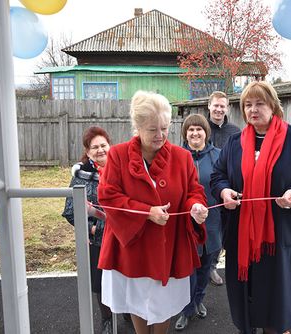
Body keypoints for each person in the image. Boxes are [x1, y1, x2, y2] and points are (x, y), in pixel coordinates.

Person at [210, 81, 291, 334]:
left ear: (273, 105)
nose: (253, 110)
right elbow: (218, 175)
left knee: (275, 309)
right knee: (246, 308)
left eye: (259, 103)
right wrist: (224, 191)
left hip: (279, 236)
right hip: (242, 237)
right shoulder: (235, 143)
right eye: (247, 105)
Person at [97, 91, 209, 334]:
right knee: (136, 299)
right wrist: (146, 212)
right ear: (137, 127)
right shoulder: (117, 155)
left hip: (170, 244)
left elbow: (194, 191)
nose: (160, 135)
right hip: (133, 246)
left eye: (165, 128)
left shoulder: (182, 157)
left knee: (164, 301)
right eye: (152, 130)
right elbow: (107, 195)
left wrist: (196, 207)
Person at [62, 126, 114, 333]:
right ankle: (107, 320)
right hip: (98, 240)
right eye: (95, 147)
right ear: (87, 149)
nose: (100, 150)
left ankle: (128, 313)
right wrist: (91, 228)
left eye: (103, 145)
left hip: (123, 237)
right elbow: (70, 210)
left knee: (124, 277)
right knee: (100, 282)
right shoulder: (81, 174)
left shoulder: (122, 168)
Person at [174, 114, 222, 331]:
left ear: (206, 132)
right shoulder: (175, 156)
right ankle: (186, 308)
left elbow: (224, 183)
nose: (195, 133)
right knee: (187, 271)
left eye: (199, 129)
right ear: (185, 133)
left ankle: (198, 299)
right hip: (184, 225)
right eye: (190, 130)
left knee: (205, 268)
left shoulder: (218, 157)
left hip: (211, 223)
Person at [207, 90, 241, 286]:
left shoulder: (235, 132)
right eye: (216, 105)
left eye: (222, 106)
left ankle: (214, 264)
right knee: (209, 229)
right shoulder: (201, 128)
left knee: (223, 229)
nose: (219, 109)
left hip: (228, 187)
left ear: (227, 108)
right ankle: (206, 266)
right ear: (209, 106)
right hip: (206, 186)